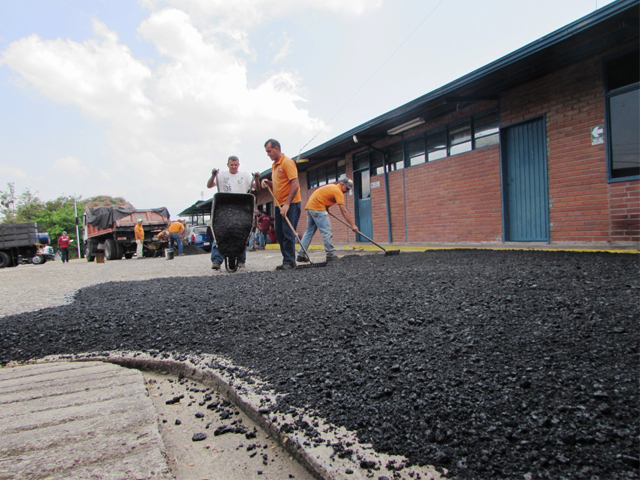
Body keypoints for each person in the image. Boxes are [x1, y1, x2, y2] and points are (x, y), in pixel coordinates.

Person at [207, 155, 260, 270]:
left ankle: (241, 259)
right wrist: (213, 175)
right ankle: (216, 260)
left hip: (241, 208)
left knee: (243, 233)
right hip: (224, 208)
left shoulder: (244, 176)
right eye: (232, 165)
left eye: (236, 165)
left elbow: (257, 187)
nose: (234, 167)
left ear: (238, 165)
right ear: (228, 165)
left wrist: (256, 178)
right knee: (218, 234)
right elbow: (209, 185)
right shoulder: (221, 176)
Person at [297, 177, 359, 263]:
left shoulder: (332, 187)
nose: (347, 191)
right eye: (347, 188)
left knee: (309, 232)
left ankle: (301, 254)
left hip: (310, 208)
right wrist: (353, 225)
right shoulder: (338, 191)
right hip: (318, 208)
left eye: (349, 190)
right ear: (342, 184)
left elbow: (324, 197)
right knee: (327, 232)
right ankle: (331, 255)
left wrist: (326, 207)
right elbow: (344, 211)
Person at [261, 139, 301, 270]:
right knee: (279, 233)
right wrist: (268, 183)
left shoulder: (287, 162)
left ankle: (290, 261)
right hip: (278, 205)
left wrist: (287, 204)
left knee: (287, 232)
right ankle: (287, 260)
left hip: (291, 204)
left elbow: (295, 184)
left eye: (269, 151)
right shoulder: (275, 165)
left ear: (276, 148)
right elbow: (279, 185)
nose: (267, 154)